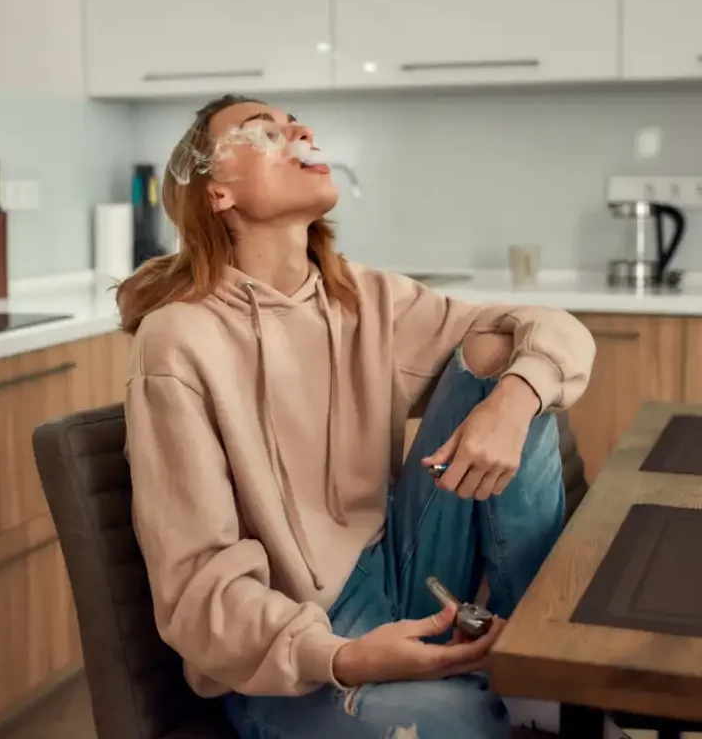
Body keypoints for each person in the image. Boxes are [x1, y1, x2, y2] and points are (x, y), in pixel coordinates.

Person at [117, 94, 596, 739]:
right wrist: (341, 656)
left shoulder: (364, 298)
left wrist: (515, 400)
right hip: (293, 647)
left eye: (296, 125)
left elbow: (555, 328)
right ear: (217, 194)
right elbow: (199, 583)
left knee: (502, 354)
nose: (299, 133)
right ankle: (511, 697)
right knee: (468, 725)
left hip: (402, 573)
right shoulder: (178, 340)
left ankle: (541, 676)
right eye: (264, 132)